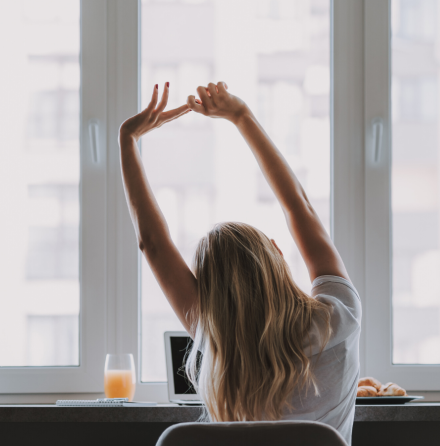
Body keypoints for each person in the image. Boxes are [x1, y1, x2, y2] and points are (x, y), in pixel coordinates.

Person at [119, 81, 361, 444]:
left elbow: (152, 244)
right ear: (278, 254)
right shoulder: (339, 318)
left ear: (208, 292)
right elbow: (299, 208)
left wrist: (128, 139)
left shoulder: (213, 337)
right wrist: (241, 116)